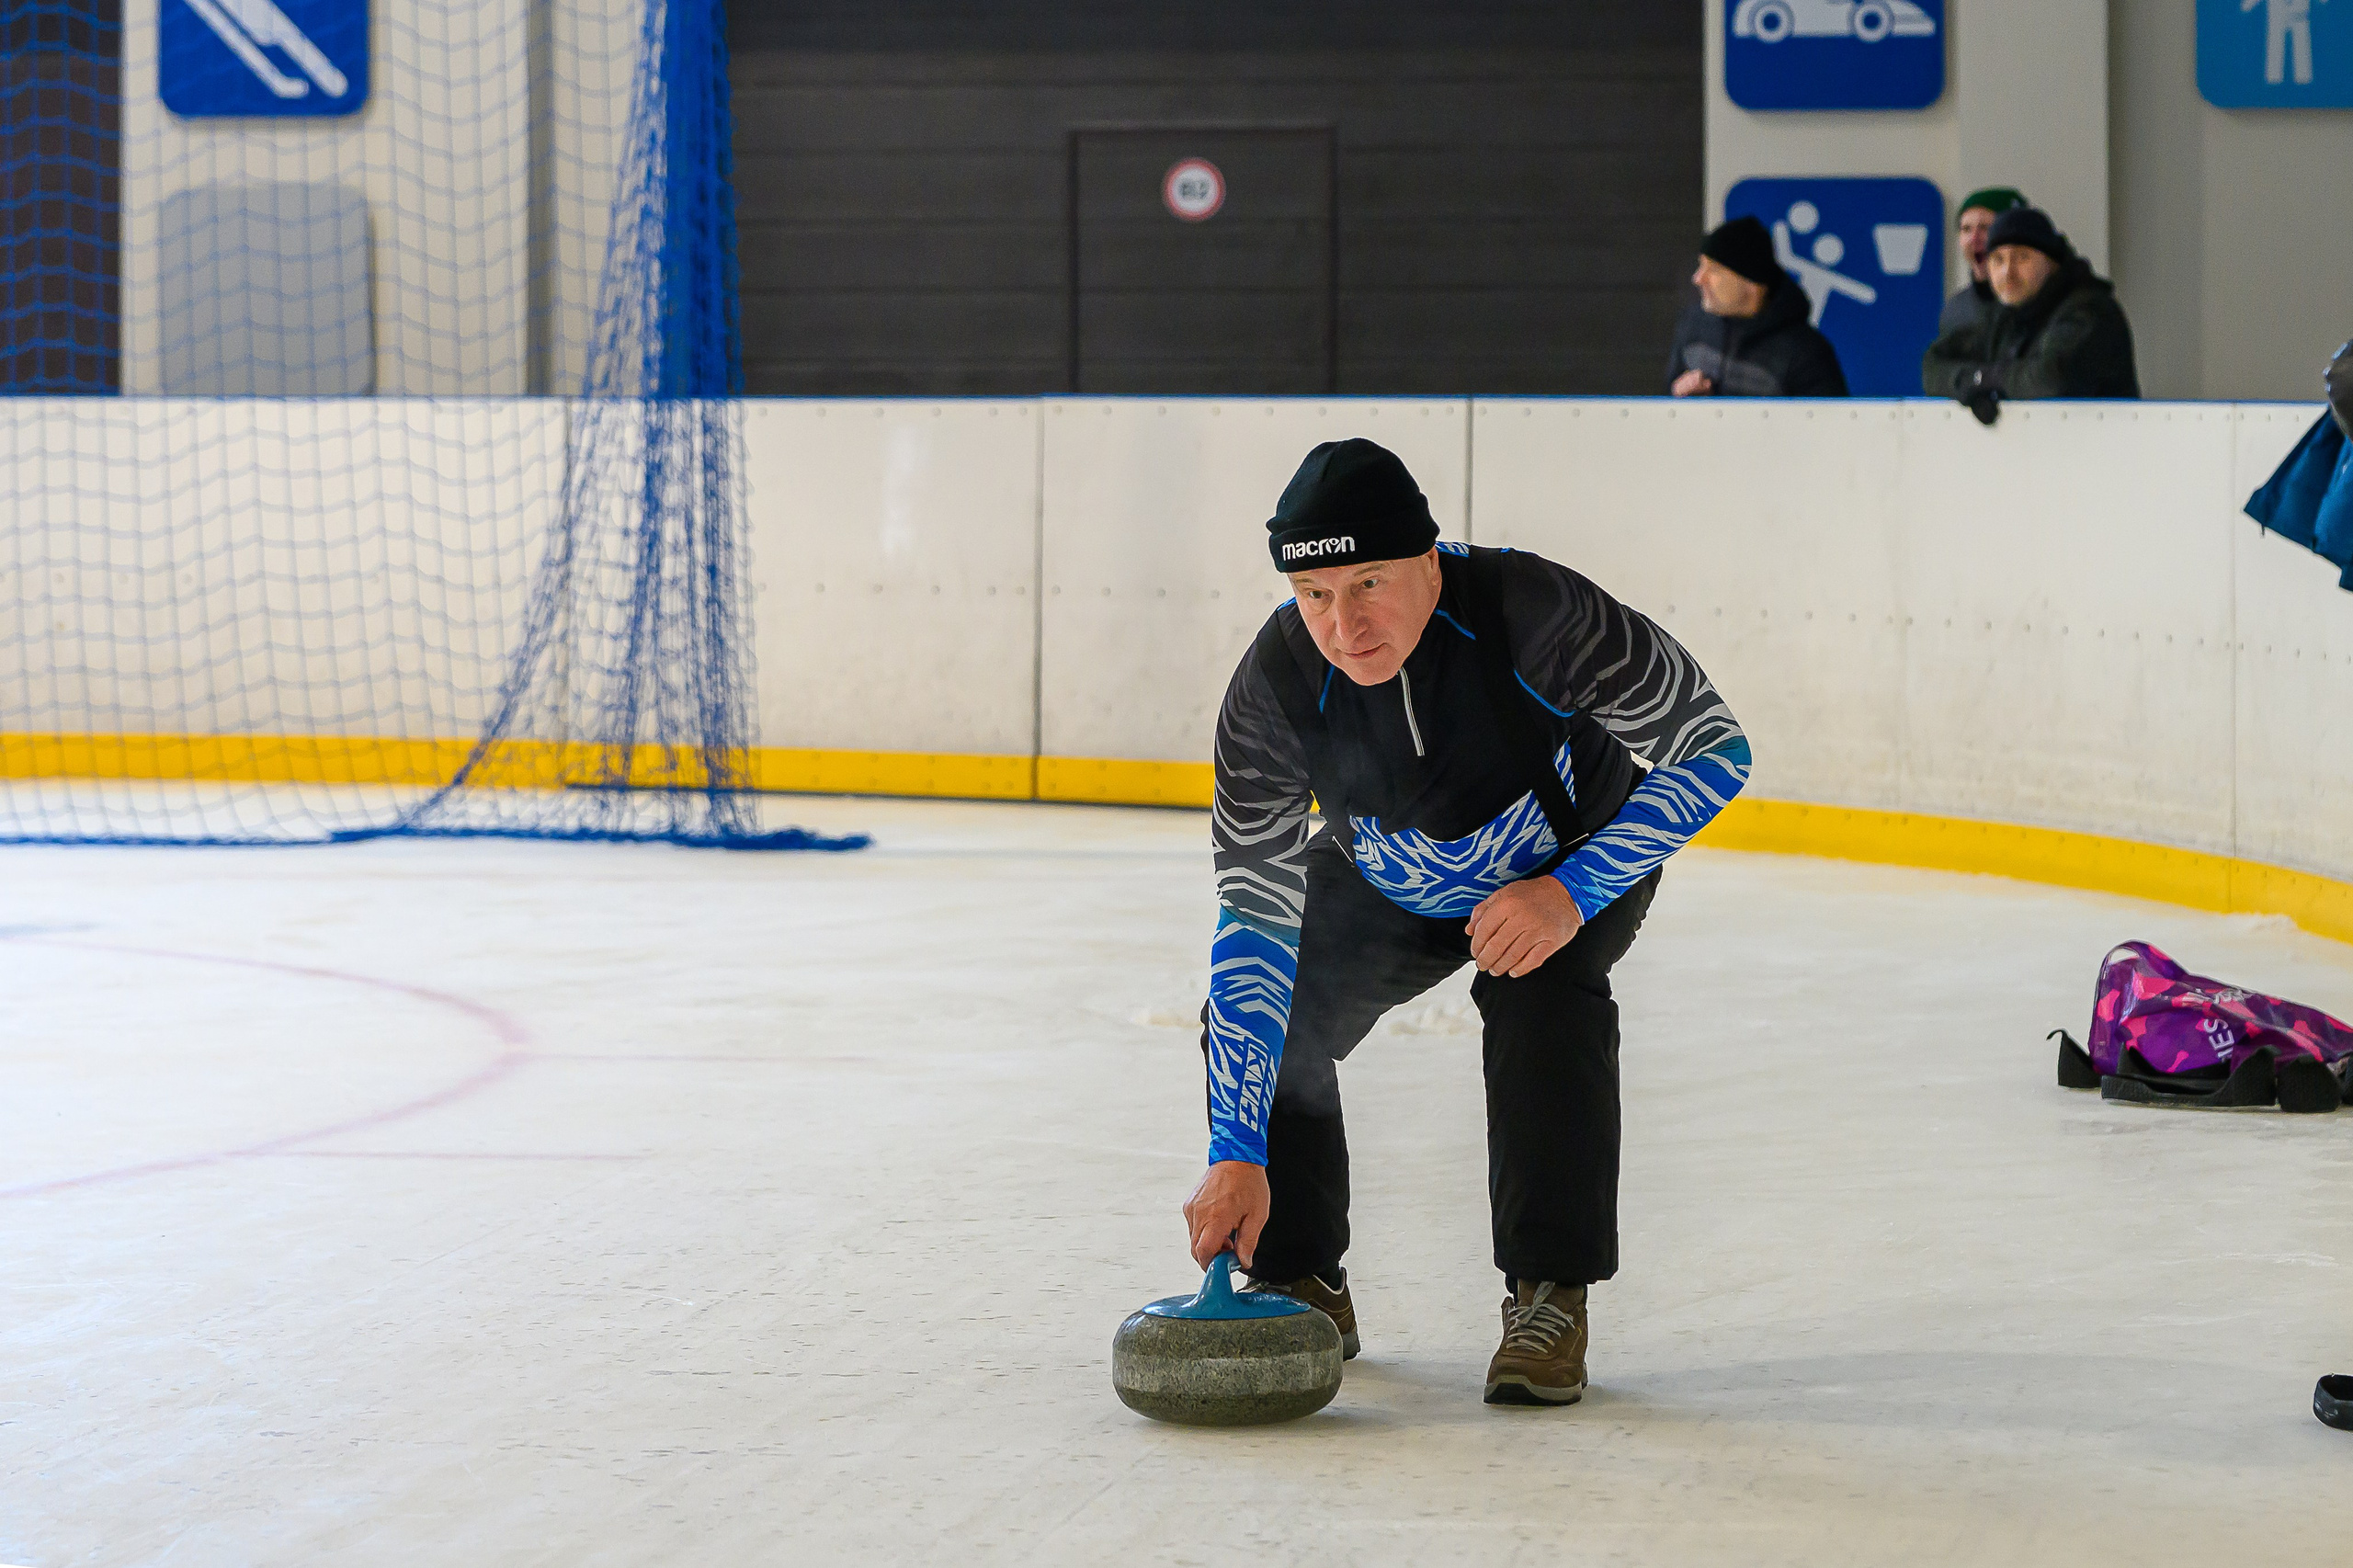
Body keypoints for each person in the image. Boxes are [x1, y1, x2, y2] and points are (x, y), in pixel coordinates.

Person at [1183, 437, 1752, 1407]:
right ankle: (1298, 1273)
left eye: (1369, 583)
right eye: (1314, 594)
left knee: (1539, 992)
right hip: (1389, 875)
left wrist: (1569, 892)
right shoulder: (1272, 686)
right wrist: (1235, 1147)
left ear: (1429, 560)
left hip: (1570, 858)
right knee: (1278, 1005)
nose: (1343, 623)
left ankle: (1546, 1295)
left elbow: (1714, 749)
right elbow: (1254, 916)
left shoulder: (1536, 614)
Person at [1921, 205, 2140, 425]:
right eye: (1998, 259)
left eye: (2022, 258)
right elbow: (1933, 366)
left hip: (2100, 448)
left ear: (2051, 263)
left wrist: (1984, 380)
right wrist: (1969, 384)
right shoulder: (2003, 314)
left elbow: (2050, 378)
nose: (2008, 272)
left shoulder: (2089, 310)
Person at [1665, 215, 1847, 399]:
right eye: (1700, 265)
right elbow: (1668, 408)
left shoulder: (1806, 353)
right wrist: (1682, 397)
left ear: (1752, 283)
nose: (1698, 278)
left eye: (1715, 270)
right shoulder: (1692, 325)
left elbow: (1829, 423)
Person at [1939, 186, 2029, 340]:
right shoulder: (1957, 310)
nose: (1974, 238)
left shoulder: (2040, 303)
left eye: (1985, 228)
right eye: (1966, 229)